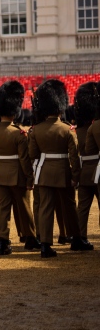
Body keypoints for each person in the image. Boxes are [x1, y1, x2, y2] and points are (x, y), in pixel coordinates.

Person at [29, 79, 89, 257]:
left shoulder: (35, 130)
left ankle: (45, 244)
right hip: (64, 172)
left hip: (44, 172)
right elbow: (74, 156)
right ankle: (76, 239)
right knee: (69, 206)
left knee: (46, 208)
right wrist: (75, 176)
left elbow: (33, 155)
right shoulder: (67, 130)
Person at [0, 81, 38, 254]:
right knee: (23, 206)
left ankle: (2, 241)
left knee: (2, 208)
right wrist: (30, 177)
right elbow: (24, 159)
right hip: (17, 175)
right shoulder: (19, 134)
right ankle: (29, 238)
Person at [73, 82, 99, 243]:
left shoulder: (76, 132)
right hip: (98, 170)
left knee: (82, 208)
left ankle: (80, 236)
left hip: (83, 172)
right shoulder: (95, 128)